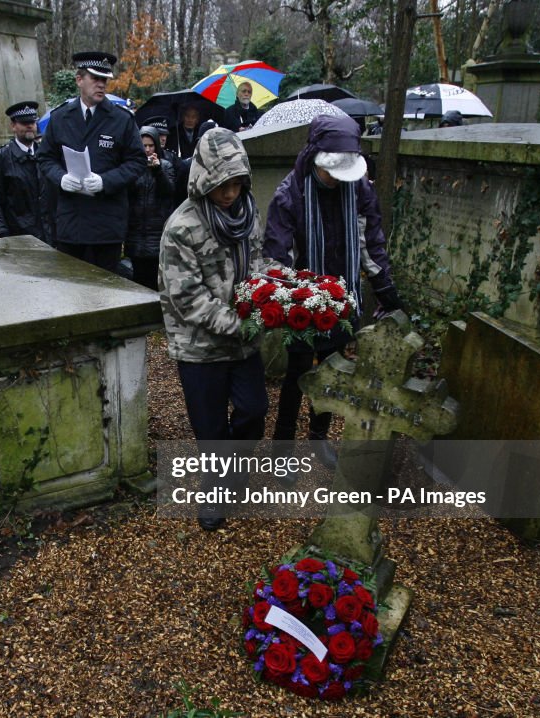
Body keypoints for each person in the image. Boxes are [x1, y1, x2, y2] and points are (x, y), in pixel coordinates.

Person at [263, 114, 404, 471]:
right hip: (303, 298)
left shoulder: (359, 188)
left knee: (334, 371)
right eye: (330, 172)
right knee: (297, 375)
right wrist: (298, 295)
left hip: (343, 295)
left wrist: (387, 292)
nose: (335, 180)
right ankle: (282, 448)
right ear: (315, 157)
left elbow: (369, 242)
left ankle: (318, 436)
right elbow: (277, 257)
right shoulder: (290, 193)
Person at [159, 128, 270, 530]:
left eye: (237, 183)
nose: (229, 193)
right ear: (204, 178)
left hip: (243, 342)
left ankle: (233, 470)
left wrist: (280, 292)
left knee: (254, 412)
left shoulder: (246, 212)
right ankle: (215, 489)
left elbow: (257, 264)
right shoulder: (182, 227)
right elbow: (188, 299)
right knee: (210, 430)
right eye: (222, 184)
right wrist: (241, 324)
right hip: (200, 346)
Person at [37, 51, 147, 272]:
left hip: (106, 223)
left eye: (104, 80)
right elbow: (45, 158)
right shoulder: (61, 118)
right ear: (79, 80)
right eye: (95, 79)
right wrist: (60, 178)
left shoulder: (121, 119)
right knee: (71, 286)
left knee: (105, 292)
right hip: (71, 220)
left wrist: (106, 181)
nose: (101, 85)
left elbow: (137, 161)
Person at [0, 101, 48, 243]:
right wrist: (3, 235)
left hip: (47, 233)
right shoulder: (1, 157)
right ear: (13, 126)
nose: (29, 126)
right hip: (18, 235)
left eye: (32, 122)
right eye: (24, 123)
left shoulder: (44, 153)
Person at [126, 126, 175, 290]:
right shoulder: (132, 166)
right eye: (144, 146)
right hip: (136, 231)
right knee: (138, 278)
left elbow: (169, 191)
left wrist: (157, 171)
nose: (147, 150)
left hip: (156, 231)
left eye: (151, 146)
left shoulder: (166, 165)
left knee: (156, 279)